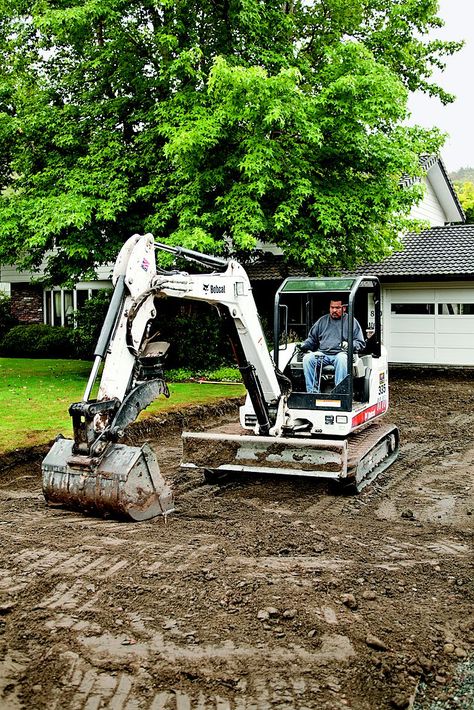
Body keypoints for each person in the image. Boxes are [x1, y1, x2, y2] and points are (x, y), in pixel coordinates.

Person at [298, 300, 365, 393]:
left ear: (344, 308)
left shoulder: (351, 322)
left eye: (337, 308)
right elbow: (312, 340)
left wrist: (350, 345)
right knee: (308, 359)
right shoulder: (322, 321)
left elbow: (360, 342)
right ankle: (313, 393)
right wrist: (304, 345)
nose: (334, 310)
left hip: (341, 354)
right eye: (332, 307)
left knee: (341, 359)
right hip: (323, 354)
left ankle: (340, 394)